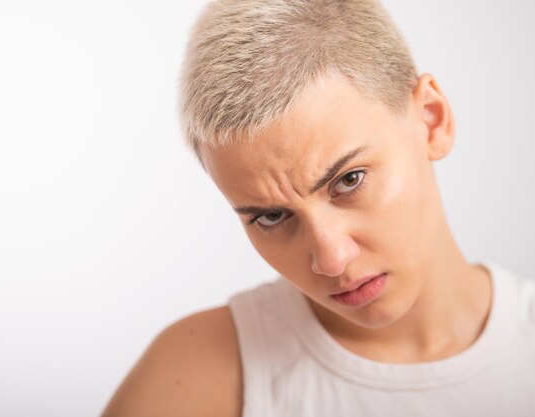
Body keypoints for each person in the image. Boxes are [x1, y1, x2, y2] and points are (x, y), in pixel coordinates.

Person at [100, 0, 535, 416]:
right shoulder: (194, 375)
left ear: (431, 119)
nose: (331, 259)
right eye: (271, 216)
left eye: (349, 180)